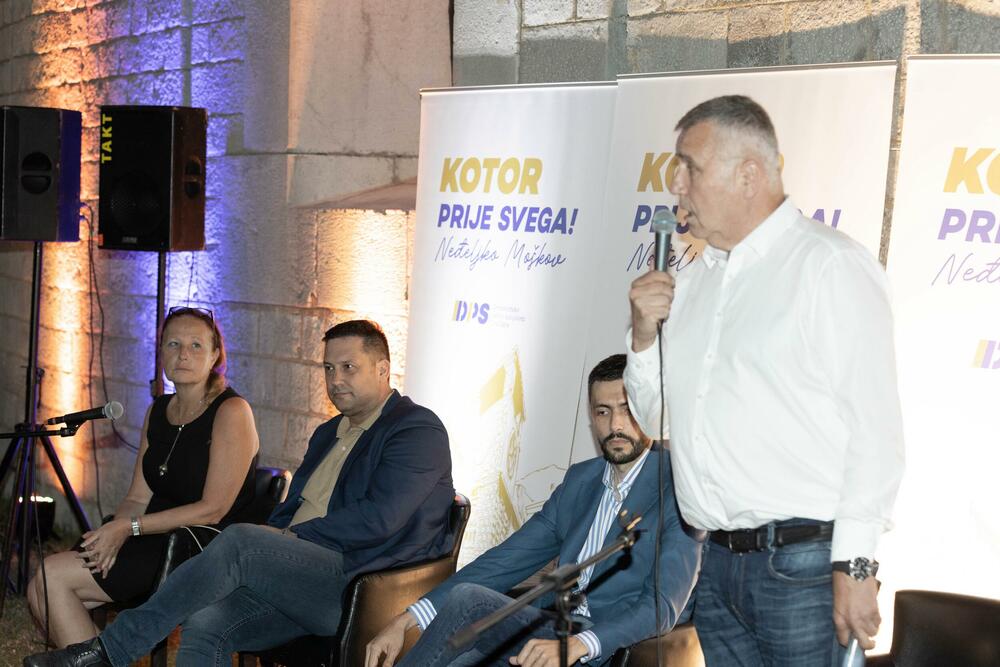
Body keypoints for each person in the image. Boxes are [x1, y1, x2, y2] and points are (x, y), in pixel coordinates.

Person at [625, 95, 905, 666]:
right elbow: (657, 421)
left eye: (690, 167)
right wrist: (643, 337)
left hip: (805, 568)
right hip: (715, 564)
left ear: (748, 175)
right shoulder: (693, 281)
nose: (675, 184)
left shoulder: (829, 266)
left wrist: (856, 565)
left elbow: (875, 432)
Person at [24, 319, 455, 667]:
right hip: (297, 576)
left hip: (356, 584)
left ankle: (110, 651)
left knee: (243, 541)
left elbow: (379, 519)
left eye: (348, 367)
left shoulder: (415, 429)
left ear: (382, 369)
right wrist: (280, 540)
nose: (335, 379)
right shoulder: (329, 432)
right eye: (328, 368)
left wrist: (286, 540)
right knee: (205, 620)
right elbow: (292, 509)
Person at [365, 354, 702, 667]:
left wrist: (580, 644)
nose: (615, 424)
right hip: (548, 628)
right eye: (602, 411)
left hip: (604, 647)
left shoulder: (679, 490)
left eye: (627, 409)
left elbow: (663, 605)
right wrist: (406, 619)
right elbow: (505, 561)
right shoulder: (581, 480)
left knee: (471, 603)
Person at [27, 305, 259, 648]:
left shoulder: (232, 411)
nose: (183, 354)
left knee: (51, 579)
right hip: (149, 534)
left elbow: (214, 509)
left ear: (215, 356)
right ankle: (97, 656)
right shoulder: (159, 409)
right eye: (173, 344)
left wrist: (128, 528)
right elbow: (137, 497)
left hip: (199, 548)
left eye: (196, 345)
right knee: (41, 589)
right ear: (161, 352)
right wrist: (114, 535)